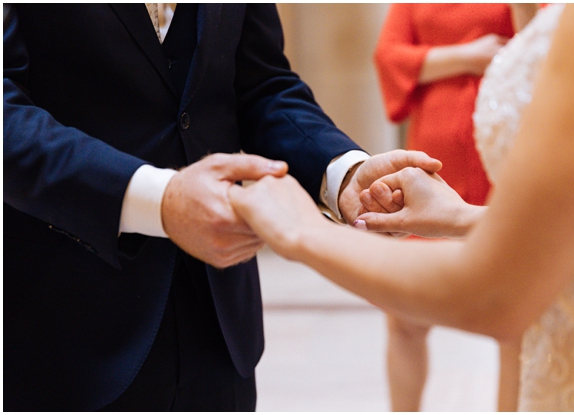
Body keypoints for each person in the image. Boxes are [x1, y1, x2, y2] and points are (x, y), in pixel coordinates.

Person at [3, 4, 437, 411]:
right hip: (61, 324)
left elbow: (261, 83)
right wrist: (159, 200)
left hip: (219, 323)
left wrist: (341, 173)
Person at [229, 3, 574, 411]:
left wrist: (303, 230)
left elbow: (499, 293)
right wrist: (458, 216)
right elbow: (536, 238)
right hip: (440, 162)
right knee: (404, 322)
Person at [371, 4, 521, 410]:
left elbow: (541, 40)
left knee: (516, 318)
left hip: (504, 154)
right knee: (404, 316)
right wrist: (467, 57)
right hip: (434, 159)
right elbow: (388, 55)